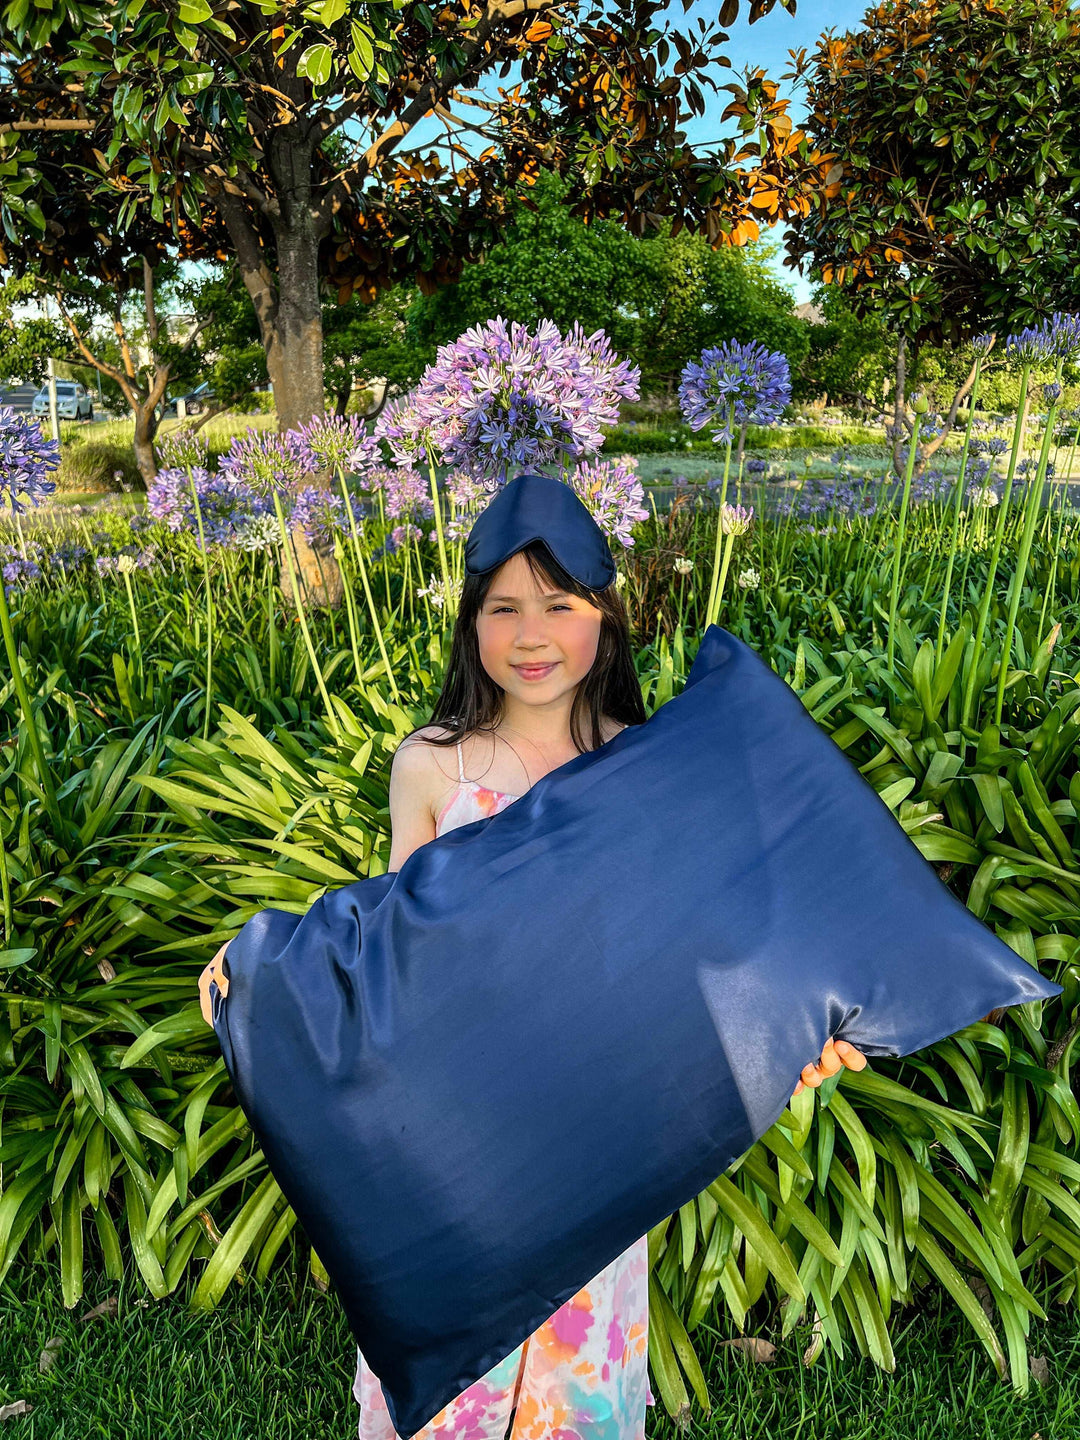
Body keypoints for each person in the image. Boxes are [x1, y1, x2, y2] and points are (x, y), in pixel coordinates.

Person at [198, 474, 866, 1440]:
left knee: (575, 1392)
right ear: (472, 624)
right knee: (452, 1402)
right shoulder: (434, 764)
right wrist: (261, 967)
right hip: (457, 1148)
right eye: (503, 607)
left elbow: (707, 950)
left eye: (560, 604)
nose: (533, 634)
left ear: (607, 617)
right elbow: (394, 952)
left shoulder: (648, 764)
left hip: (595, 1139)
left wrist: (804, 1027)